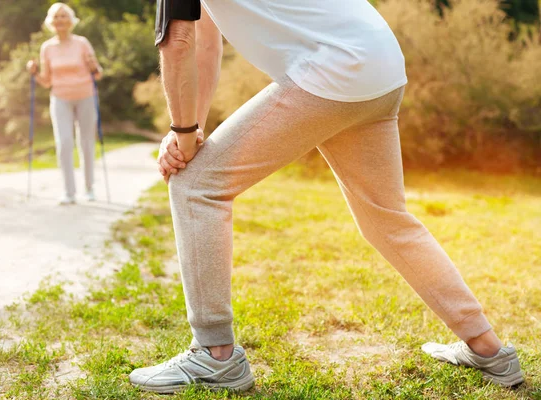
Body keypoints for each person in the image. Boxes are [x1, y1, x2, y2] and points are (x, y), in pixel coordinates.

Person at [129, 0, 524, 393]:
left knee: (196, 186)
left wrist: (183, 134)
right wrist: (189, 132)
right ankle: (488, 348)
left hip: (332, 69)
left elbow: (178, 39)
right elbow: (204, 45)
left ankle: (215, 355)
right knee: (387, 218)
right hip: (379, 64)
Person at [27, 3, 103, 205]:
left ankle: (89, 189)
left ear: (70, 20)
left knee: (86, 142)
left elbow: (98, 73)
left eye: (63, 16)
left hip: (86, 95)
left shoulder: (82, 43)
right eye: (56, 16)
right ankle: (69, 192)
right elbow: (47, 81)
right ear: (51, 22)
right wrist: (34, 73)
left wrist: (94, 66)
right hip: (60, 98)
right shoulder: (47, 47)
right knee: (64, 143)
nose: (60, 20)